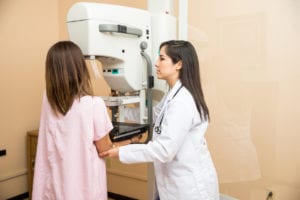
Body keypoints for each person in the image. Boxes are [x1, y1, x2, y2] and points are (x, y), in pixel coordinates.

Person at [100, 40, 219, 200]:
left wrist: (120, 152)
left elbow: (164, 151)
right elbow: (155, 116)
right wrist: (119, 108)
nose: (156, 64)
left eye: (162, 59)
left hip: (189, 188)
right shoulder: (172, 95)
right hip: (174, 182)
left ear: (178, 64)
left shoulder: (181, 101)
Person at [32, 41, 114, 200]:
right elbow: (105, 149)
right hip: (84, 187)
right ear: (79, 67)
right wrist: (131, 140)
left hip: (56, 183)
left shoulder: (48, 100)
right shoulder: (93, 104)